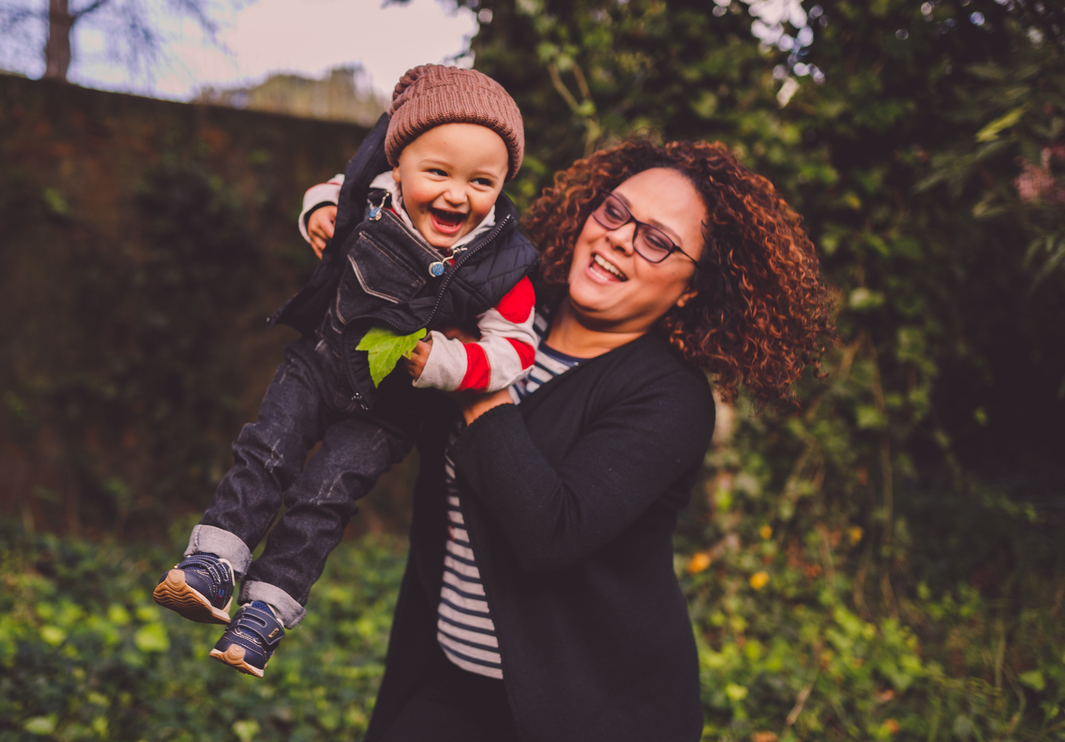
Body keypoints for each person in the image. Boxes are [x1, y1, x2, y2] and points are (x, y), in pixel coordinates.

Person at [352, 139, 835, 741]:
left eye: (657, 240)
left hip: (587, 708)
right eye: (613, 212)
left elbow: (550, 531)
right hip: (448, 679)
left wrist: (476, 373)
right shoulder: (505, 314)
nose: (619, 238)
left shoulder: (669, 398)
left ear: (691, 289)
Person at [153, 65, 539, 677]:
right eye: (437, 172)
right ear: (402, 163)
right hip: (321, 363)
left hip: (389, 412)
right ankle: (215, 563)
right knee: (267, 451)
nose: (457, 195)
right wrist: (318, 215)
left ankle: (265, 614)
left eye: (481, 181)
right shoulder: (372, 190)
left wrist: (445, 360)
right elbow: (325, 191)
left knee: (324, 498)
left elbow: (516, 348)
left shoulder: (503, 263)